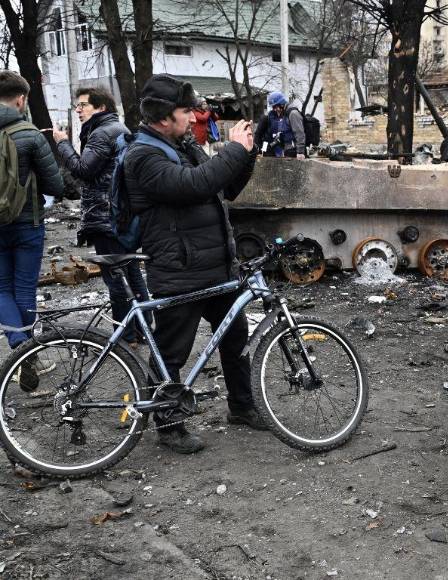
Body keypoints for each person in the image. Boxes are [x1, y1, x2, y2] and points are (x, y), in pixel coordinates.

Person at [122, 73, 260, 454]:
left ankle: (243, 407)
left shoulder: (182, 143)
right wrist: (232, 151)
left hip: (214, 265)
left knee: (234, 339)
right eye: (185, 110)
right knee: (171, 352)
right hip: (179, 268)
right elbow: (194, 185)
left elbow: (224, 187)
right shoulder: (143, 155)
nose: (193, 115)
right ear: (164, 116)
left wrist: (247, 152)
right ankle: (169, 427)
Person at [52, 87, 150, 346]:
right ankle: (142, 329)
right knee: (131, 272)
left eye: (83, 105)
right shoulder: (118, 129)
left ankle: (126, 335)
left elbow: (83, 170)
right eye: (77, 106)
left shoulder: (100, 134)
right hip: (119, 213)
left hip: (105, 214)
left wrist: (62, 143)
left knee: (115, 276)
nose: (78, 109)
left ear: (101, 107)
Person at [0, 71, 64, 389]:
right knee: (24, 290)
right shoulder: (30, 134)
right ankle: (29, 355)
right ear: (21, 99)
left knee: (1, 291)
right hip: (28, 224)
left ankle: (19, 351)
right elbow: (56, 184)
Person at [254, 91, 305, 158]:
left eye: (275, 107)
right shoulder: (281, 115)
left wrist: (300, 152)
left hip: (294, 150)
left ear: (281, 104)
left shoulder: (292, 113)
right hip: (284, 149)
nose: (275, 110)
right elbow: (258, 134)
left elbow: (299, 133)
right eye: (273, 107)